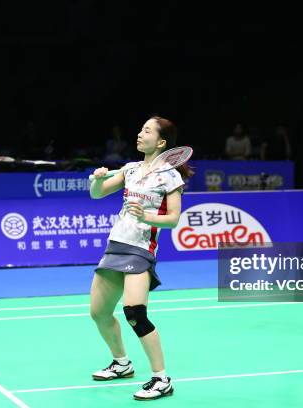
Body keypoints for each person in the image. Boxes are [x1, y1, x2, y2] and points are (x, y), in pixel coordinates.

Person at [89, 116, 192, 400]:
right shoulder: (131, 169)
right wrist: (97, 180)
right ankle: (121, 363)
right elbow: (97, 194)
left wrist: (144, 215)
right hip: (116, 244)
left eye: (146, 130)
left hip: (141, 249)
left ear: (160, 142)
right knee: (98, 313)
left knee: (135, 312)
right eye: (140, 129)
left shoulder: (170, 176)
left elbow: (172, 219)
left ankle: (161, 379)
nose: (139, 133)